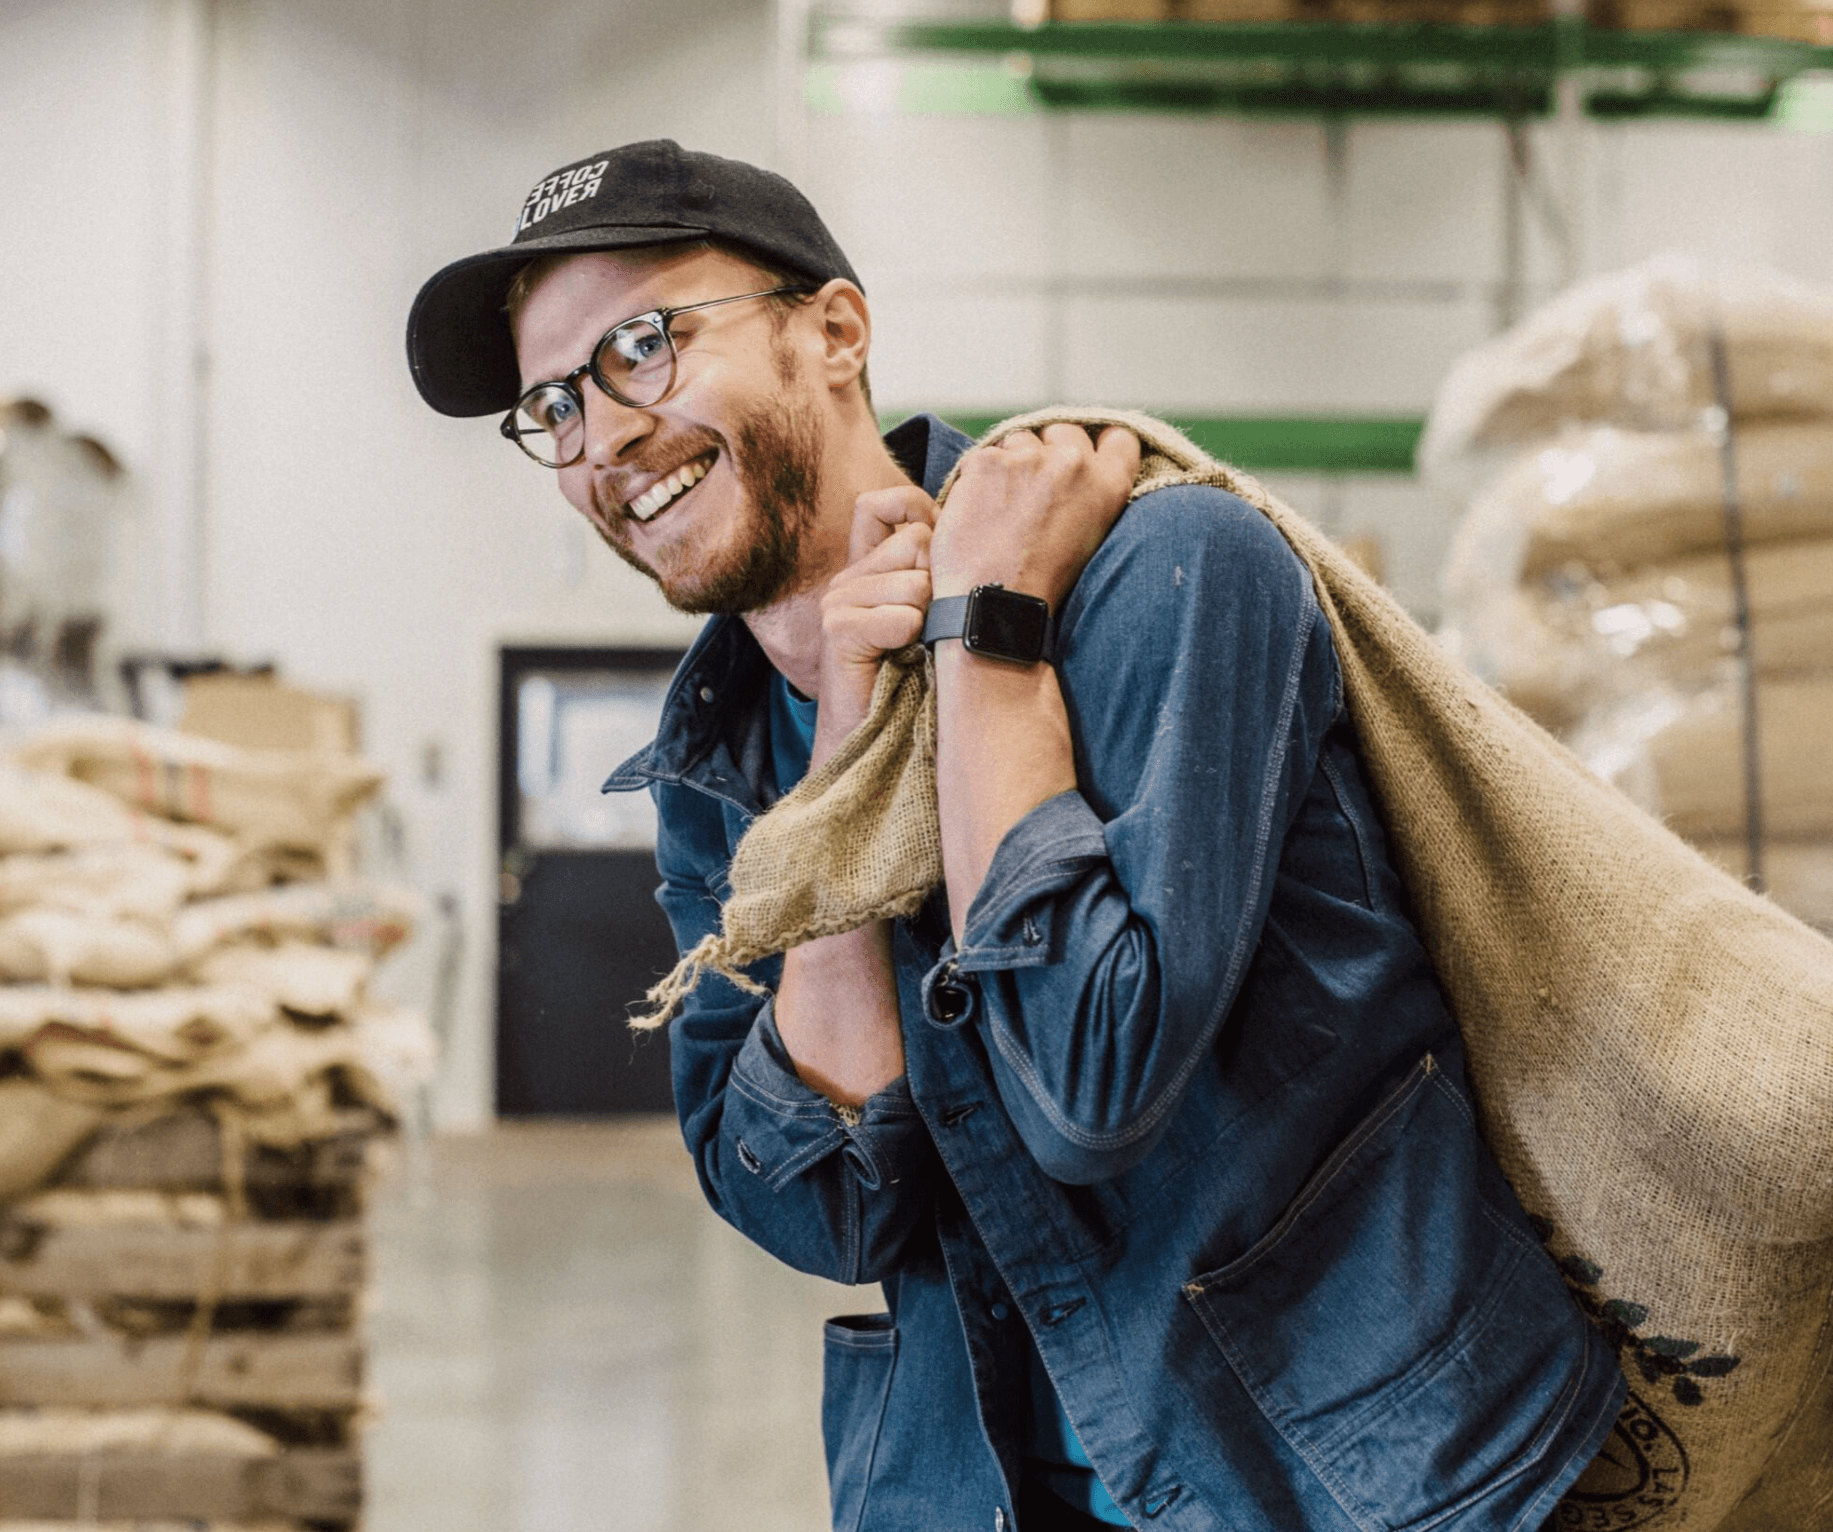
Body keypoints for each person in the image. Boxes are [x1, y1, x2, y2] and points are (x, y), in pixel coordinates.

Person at [406, 139, 1625, 1532]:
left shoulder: (1168, 578)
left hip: (1350, 1473)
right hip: (976, 1484)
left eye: (641, 346)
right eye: (550, 406)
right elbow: (828, 1216)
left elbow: (1089, 1083)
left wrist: (983, 638)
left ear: (835, 332)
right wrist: (846, 756)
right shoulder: (717, 768)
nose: (604, 434)